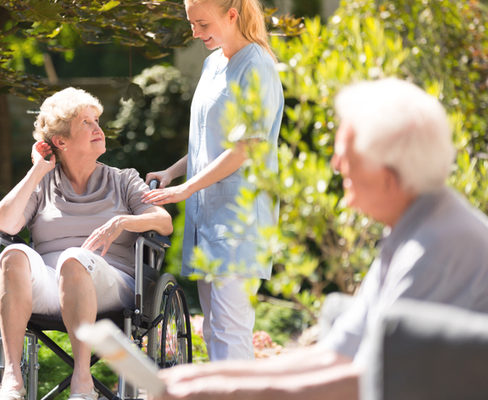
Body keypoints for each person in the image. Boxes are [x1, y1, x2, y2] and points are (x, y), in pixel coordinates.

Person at [151, 78, 488, 400]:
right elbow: (335, 355)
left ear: (388, 174)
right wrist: (204, 378)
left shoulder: (436, 246)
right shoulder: (413, 229)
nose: (336, 165)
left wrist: (222, 392)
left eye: (346, 154)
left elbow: (369, 382)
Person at [0, 87, 173, 400]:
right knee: (13, 254)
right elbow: (2, 224)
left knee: (74, 259)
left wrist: (123, 221)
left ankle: (83, 380)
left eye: (97, 119)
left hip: (112, 285)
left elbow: (162, 220)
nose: (98, 128)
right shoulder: (42, 183)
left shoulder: (123, 179)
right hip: (50, 288)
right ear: (60, 141)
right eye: (86, 122)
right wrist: (37, 171)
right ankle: (12, 379)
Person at [142, 0, 284, 361]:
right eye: (191, 23)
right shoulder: (211, 64)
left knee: (230, 329)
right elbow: (211, 143)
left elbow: (246, 146)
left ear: (232, 15)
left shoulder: (257, 66)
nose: (195, 33)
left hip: (239, 218)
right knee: (213, 329)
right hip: (207, 217)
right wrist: (173, 173)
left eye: (202, 23)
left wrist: (186, 188)